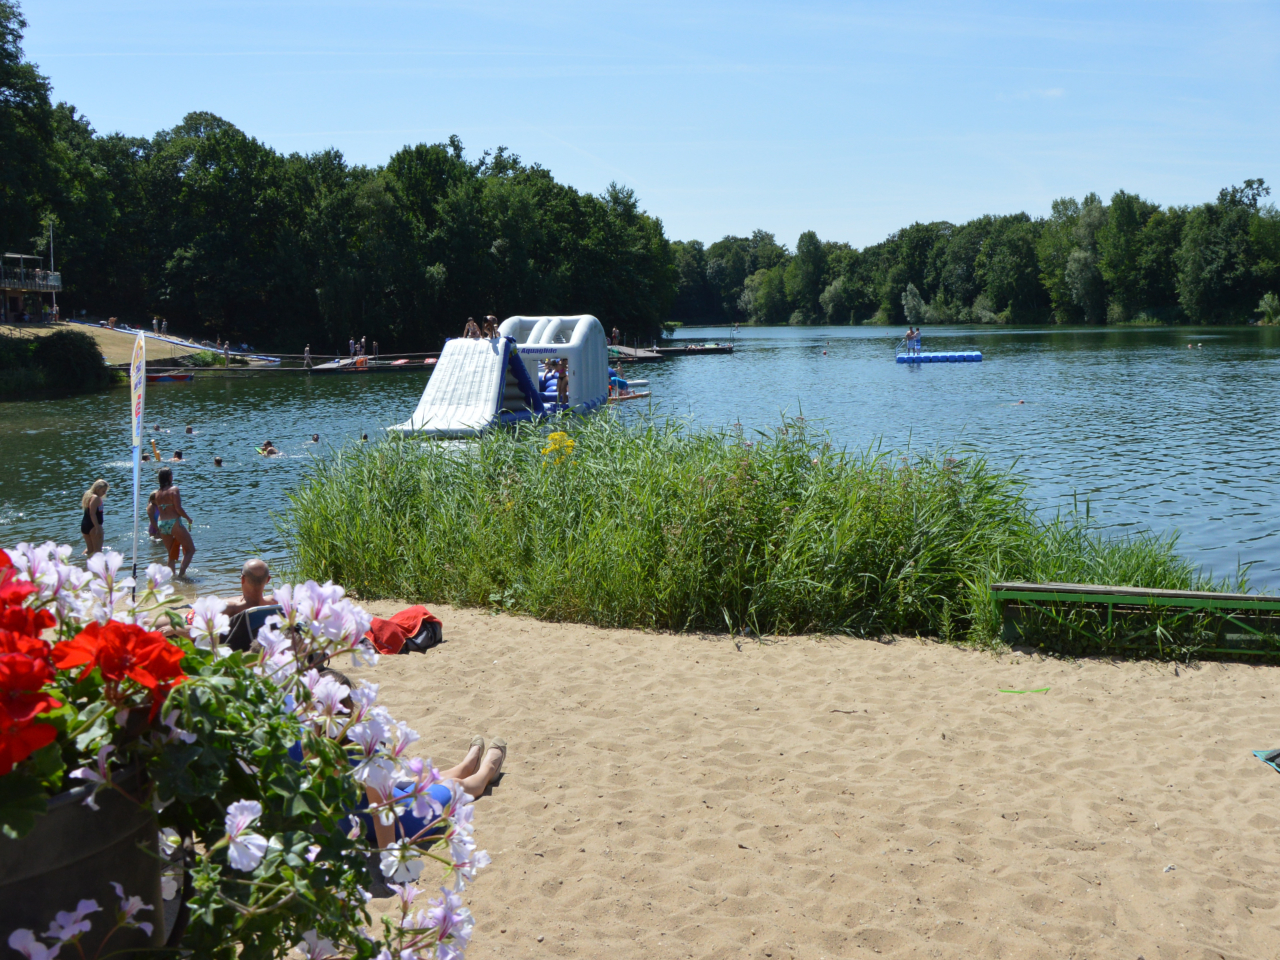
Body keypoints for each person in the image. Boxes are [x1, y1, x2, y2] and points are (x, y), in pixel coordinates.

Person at [154, 467, 195, 576]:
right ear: (169, 477)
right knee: (190, 550)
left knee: (171, 554)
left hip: (161, 523)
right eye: (171, 474)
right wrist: (188, 518)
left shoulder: (157, 493)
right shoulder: (174, 489)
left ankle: (172, 577)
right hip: (174, 523)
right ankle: (181, 575)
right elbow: (178, 508)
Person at [80, 480, 108, 556]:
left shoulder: (88, 495)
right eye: (103, 491)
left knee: (90, 550)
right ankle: (98, 566)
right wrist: (97, 528)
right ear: (98, 489)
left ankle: (80, 561)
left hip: (85, 525)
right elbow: (92, 513)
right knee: (98, 551)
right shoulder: (96, 498)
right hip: (93, 526)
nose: (104, 493)